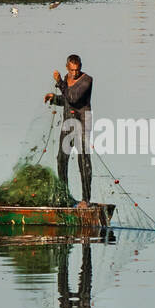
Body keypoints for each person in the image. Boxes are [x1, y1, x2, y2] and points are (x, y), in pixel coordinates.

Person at [44, 54, 93, 207]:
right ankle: (64, 195)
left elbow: (73, 97)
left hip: (82, 123)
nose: (74, 73)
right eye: (71, 70)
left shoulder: (87, 80)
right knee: (61, 159)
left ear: (81, 67)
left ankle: (85, 200)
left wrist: (59, 82)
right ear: (67, 68)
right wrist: (54, 99)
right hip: (68, 124)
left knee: (83, 161)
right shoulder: (66, 79)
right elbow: (66, 101)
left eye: (77, 70)